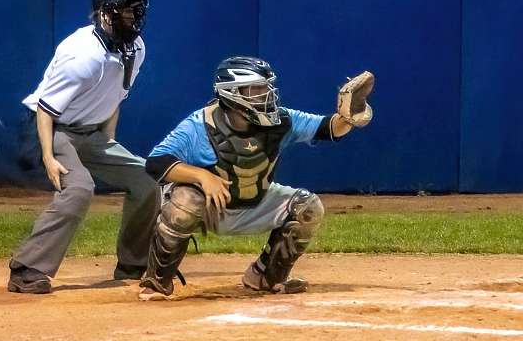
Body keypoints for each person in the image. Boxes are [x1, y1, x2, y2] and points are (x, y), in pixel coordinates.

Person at [137, 56, 374, 300]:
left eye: (266, 87)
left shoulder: (281, 120)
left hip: (254, 201)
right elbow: (155, 163)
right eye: (256, 89)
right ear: (231, 92)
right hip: (209, 208)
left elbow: (329, 128)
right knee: (184, 201)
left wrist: (348, 116)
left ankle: (265, 277)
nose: (265, 94)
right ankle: (156, 282)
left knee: (308, 207)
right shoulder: (200, 124)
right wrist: (201, 176)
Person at [9, 0, 159, 294]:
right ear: (105, 14)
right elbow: (45, 110)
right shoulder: (83, 56)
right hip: (49, 128)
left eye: (136, 11)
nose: (133, 18)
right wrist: (48, 157)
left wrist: (108, 139)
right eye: (126, 12)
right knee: (79, 188)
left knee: (147, 180)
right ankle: (26, 270)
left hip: (88, 131)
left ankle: (133, 264)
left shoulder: (136, 49)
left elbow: (115, 96)